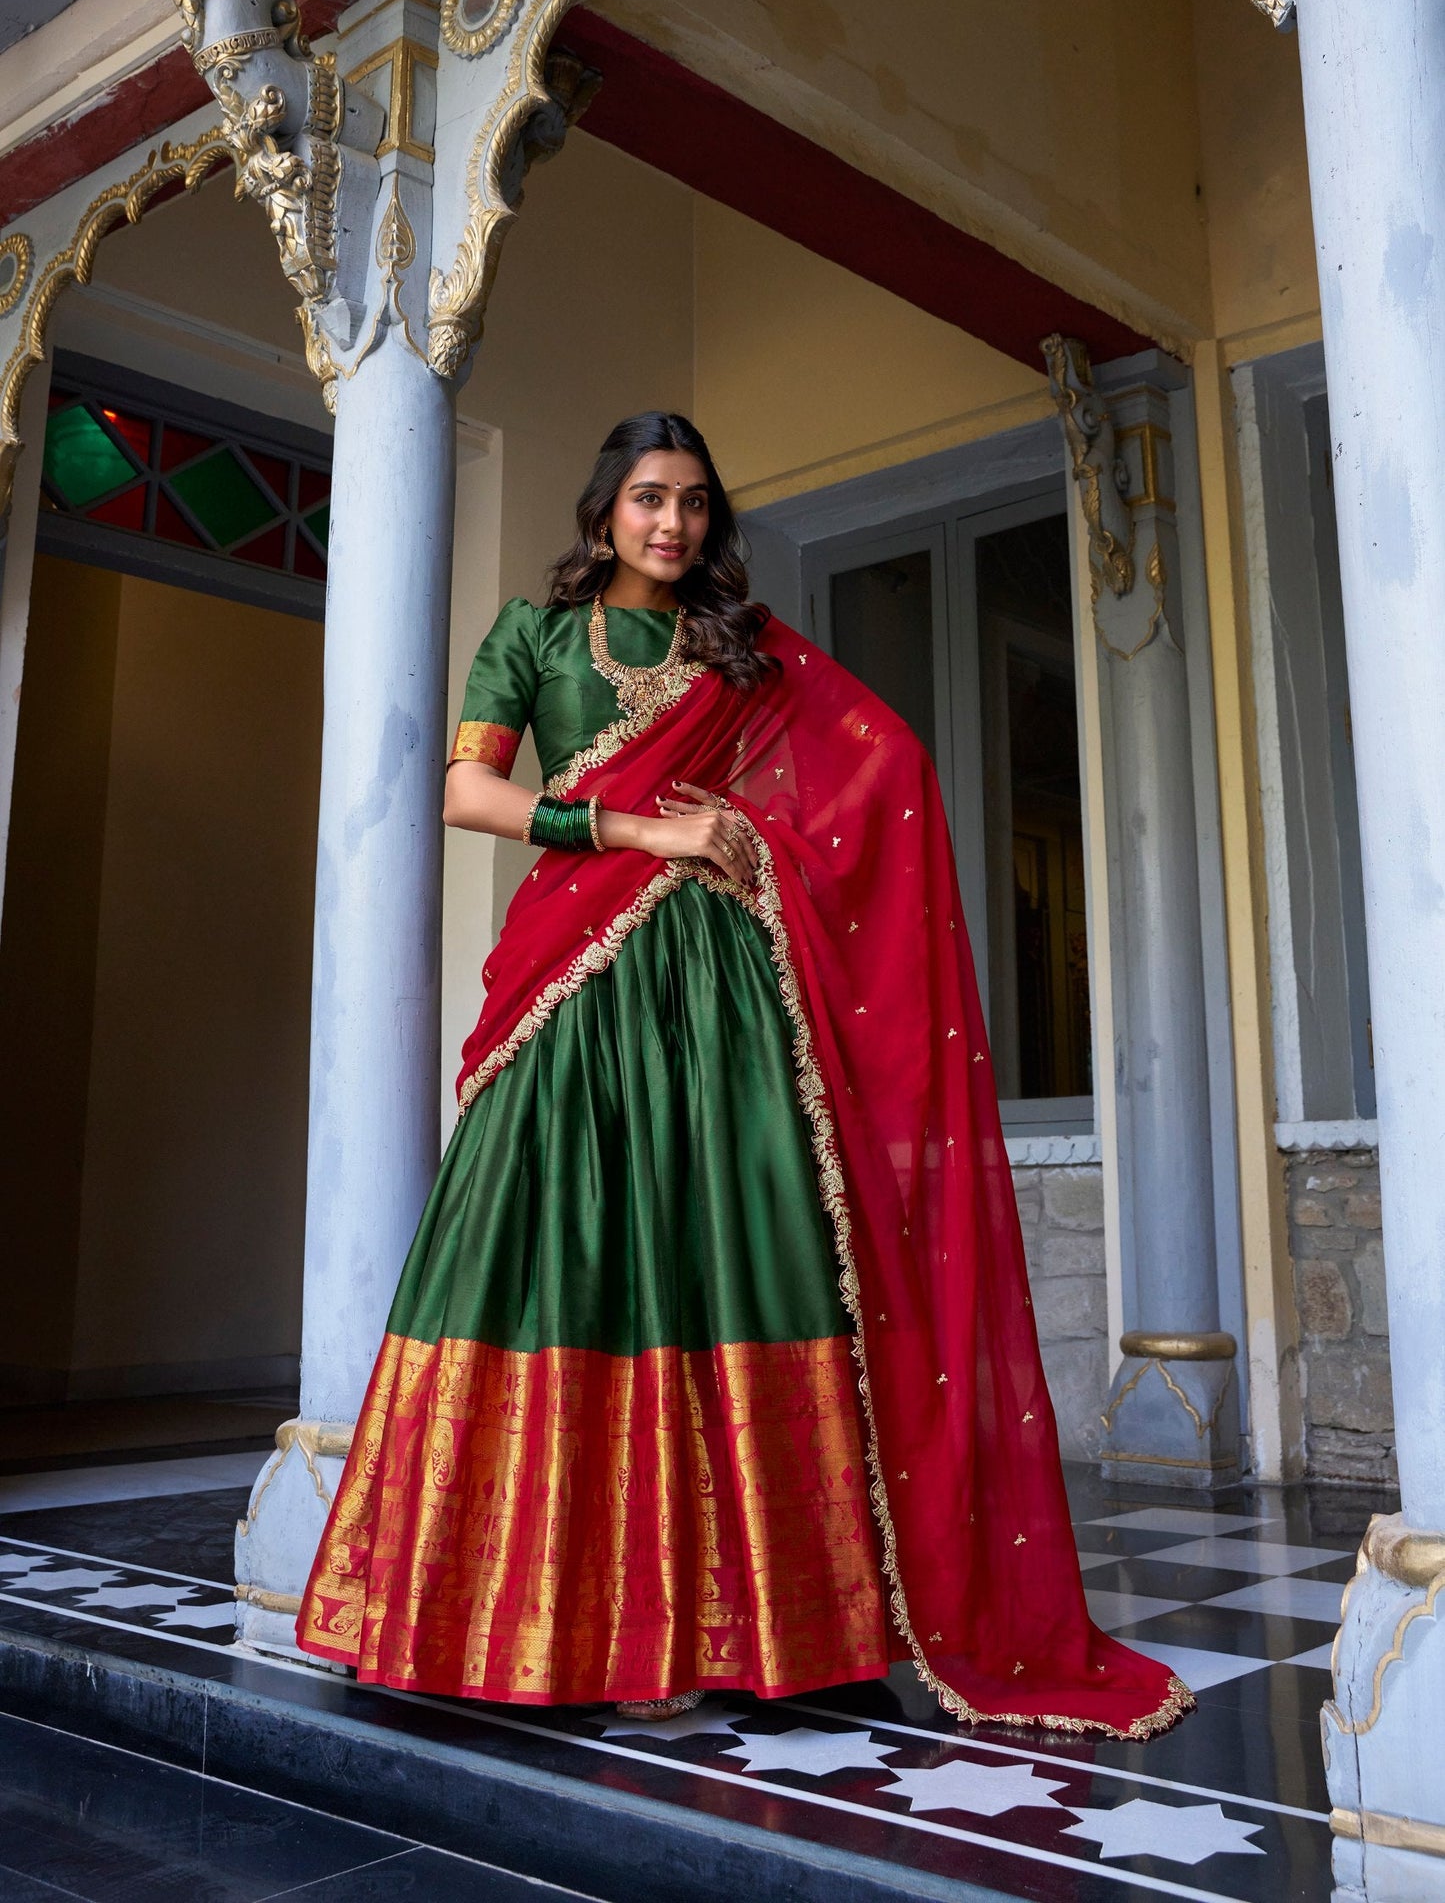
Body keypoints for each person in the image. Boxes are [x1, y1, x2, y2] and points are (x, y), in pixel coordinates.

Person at [296, 410, 1190, 1738]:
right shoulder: (534, 636)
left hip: (722, 994)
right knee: (553, 1255)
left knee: (747, 1253)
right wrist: (632, 825)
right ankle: (525, 1621)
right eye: (649, 498)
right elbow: (465, 793)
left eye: (696, 501)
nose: (674, 523)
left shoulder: (745, 650)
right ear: (604, 511)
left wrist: (754, 833)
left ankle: (786, 1631)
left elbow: (886, 768)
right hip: (577, 996)